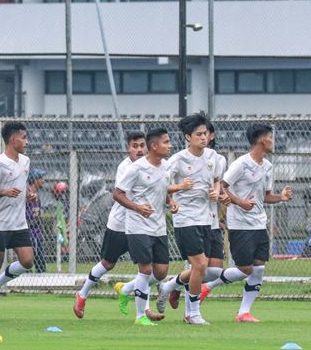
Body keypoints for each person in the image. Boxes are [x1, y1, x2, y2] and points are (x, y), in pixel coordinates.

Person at [199, 123, 292, 323]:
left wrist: (281, 197)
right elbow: (222, 187)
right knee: (244, 270)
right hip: (240, 225)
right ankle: (207, 286)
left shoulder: (267, 166)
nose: (273, 141)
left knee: (258, 269)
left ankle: (243, 312)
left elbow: (265, 197)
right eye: (271, 137)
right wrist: (240, 202)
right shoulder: (241, 164)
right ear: (261, 140)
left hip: (259, 224)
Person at [153, 113, 222, 326]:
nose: (204, 138)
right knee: (200, 265)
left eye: (205, 134)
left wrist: (216, 192)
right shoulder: (177, 160)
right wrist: (178, 189)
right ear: (188, 137)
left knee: (211, 271)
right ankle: (192, 313)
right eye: (199, 134)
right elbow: (160, 186)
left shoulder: (215, 158)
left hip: (208, 219)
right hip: (186, 218)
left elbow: (217, 181)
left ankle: (169, 285)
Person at [112, 128, 183, 326]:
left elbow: (162, 187)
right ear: (154, 146)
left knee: (160, 272)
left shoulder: (166, 167)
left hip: (158, 227)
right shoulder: (136, 169)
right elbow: (117, 194)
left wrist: (171, 201)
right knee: (145, 269)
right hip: (138, 226)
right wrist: (137, 207)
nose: (169, 146)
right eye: (166, 142)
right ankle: (140, 316)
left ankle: (126, 289)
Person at [73, 131, 147, 319]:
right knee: (107, 263)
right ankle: (82, 294)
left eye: (141, 145)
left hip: (140, 225)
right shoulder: (125, 167)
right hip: (120, 225)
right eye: (134, 146)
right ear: (128, 148)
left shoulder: (151, 165)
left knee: (149, 268)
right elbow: (127, 194)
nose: (139, 149)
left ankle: (141, 307)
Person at [0, 122, 35, 320]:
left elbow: (23, 185)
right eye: (24, 137)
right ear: (13, 140)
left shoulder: (25, 161)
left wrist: (31, 194)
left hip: (19, 222)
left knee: (27, 261)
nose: (27, 142)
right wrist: (5, 192)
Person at [26, 169, 47, 273]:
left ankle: (40, 275)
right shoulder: (27, 194)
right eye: (41, 178)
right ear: (35, 180)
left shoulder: (36, 194)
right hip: (30, 230)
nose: (43, 181)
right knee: (34, 256)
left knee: (39, 256)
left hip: (36, 230)